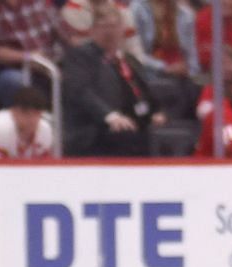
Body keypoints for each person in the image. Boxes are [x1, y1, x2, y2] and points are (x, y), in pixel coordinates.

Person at [61, 2, 165, 157]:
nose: (109, 32)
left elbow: (142, 92)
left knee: (151, 134)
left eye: (114, 26)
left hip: (125, 126)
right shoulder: (81, 57)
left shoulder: (127, 60)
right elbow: (81, 92)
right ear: (93, 30)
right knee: (125, 135)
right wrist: (110, 116)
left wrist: (155, 112)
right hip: (91, 130)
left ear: (122, 29)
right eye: (104, 26)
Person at [0, 0, 61, 109]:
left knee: (78, 68)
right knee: (15, 81)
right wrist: (28, 57)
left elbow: (58, 28)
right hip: (3, 71)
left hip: (48, 65)